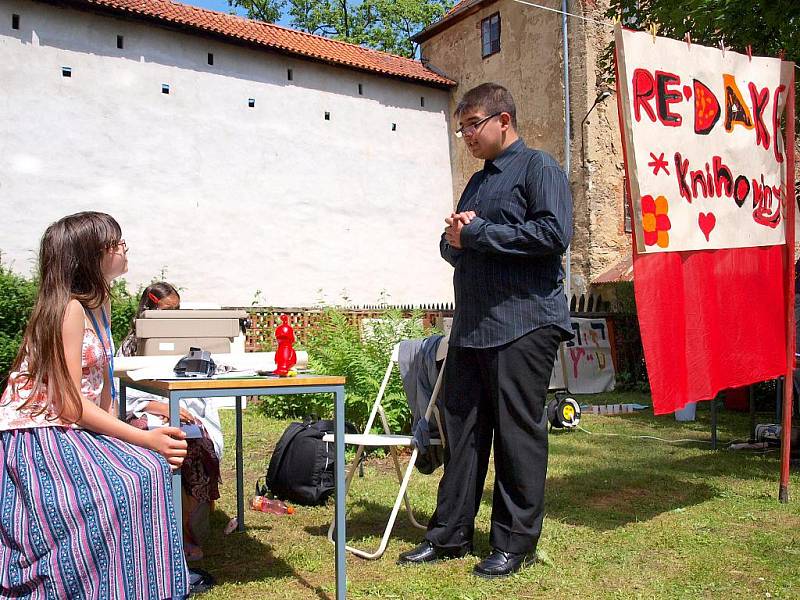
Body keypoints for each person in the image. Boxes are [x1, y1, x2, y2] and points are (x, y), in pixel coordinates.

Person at [398, 83, 573, 578]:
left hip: (524, 322)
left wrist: (475, 233)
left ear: (503, 120)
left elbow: (554, 233)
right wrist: (456, 238)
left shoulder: (539, 168)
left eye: (472, 125)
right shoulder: (476, 183)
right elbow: (450, 244)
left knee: (517, 436)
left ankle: (513, 543)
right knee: (464, 434)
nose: (466, 137)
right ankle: (449, 533)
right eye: (461, 129)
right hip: (473, 327)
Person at [0, 212, 189, 598]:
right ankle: (90, 582)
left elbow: (103, 392)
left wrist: (133, 436)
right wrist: (146, 440)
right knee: (130, 479)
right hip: (37, 434)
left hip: (69, 425)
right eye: (115, 244)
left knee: (149, 469)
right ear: (90, 255)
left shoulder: (97, 305)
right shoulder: (67, 309)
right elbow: (70, 403)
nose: (123, 249)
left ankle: (131, 583)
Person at [119, 282, 223, 562]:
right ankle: (163, 533)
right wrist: (157, 405)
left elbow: (197, 385)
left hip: (184, 409)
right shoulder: (132, 345)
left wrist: (180, 406)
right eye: (167, 310)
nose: (172, 315)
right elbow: (124, 392)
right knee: (158, 445)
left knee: (193, 445)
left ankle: (185, 530)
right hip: (143, 411)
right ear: (150, 308)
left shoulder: (186, 343)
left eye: (177, 310)